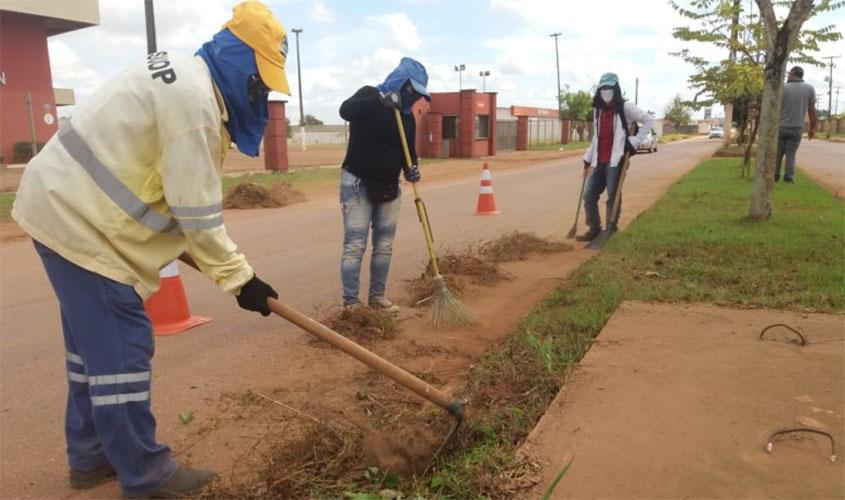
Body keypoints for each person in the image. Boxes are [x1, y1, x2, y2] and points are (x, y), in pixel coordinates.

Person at [11, 1, 288, 496]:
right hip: (83, 224)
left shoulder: (181, 72)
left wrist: (213, 259)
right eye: (260, 81)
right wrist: (242, 280)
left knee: (89, 353)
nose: (261, 93)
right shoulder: (196, 109)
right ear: (242, 63)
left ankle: (91, 456)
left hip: (60, 204)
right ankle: (147, 474)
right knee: (121, 348)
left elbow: (169, 198)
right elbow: (199, 215)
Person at [338, 58, 431, 312]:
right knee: (356, 245)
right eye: (413, 92)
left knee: (384, 246)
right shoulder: (370, 95)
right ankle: (351, 303)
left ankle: (377, 298)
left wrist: (412, 168)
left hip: (389, 186)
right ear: (402, 84)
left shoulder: (407, 116)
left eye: (419, 95)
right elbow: (345, 110)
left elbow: (407, 149)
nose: (415, 99)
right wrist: (380, 101)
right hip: (357, 182)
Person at [576, 72, 654, 242]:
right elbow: (596, 137)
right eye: (603, 88)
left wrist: (634, 141)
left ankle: (611, 228)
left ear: (616, 89)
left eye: (609, 88)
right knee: (589, 195)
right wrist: (588, 156)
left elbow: (649, 120)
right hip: (599, 161)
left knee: (613, 195)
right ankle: (594, 228)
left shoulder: (625, 108)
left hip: (616, 160)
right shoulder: (597, 110)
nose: (606, 91)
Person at [776, 66, 817, 183]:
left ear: (793, 74)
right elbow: (812, 110)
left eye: (789, 74)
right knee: (791, 153)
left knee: (778, 153)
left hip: (781, 126)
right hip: (797, 127)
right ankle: (788, 177)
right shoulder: (809, 89)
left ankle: (775, 175)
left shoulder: (782, 87)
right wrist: (812, 128)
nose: (788, 76)